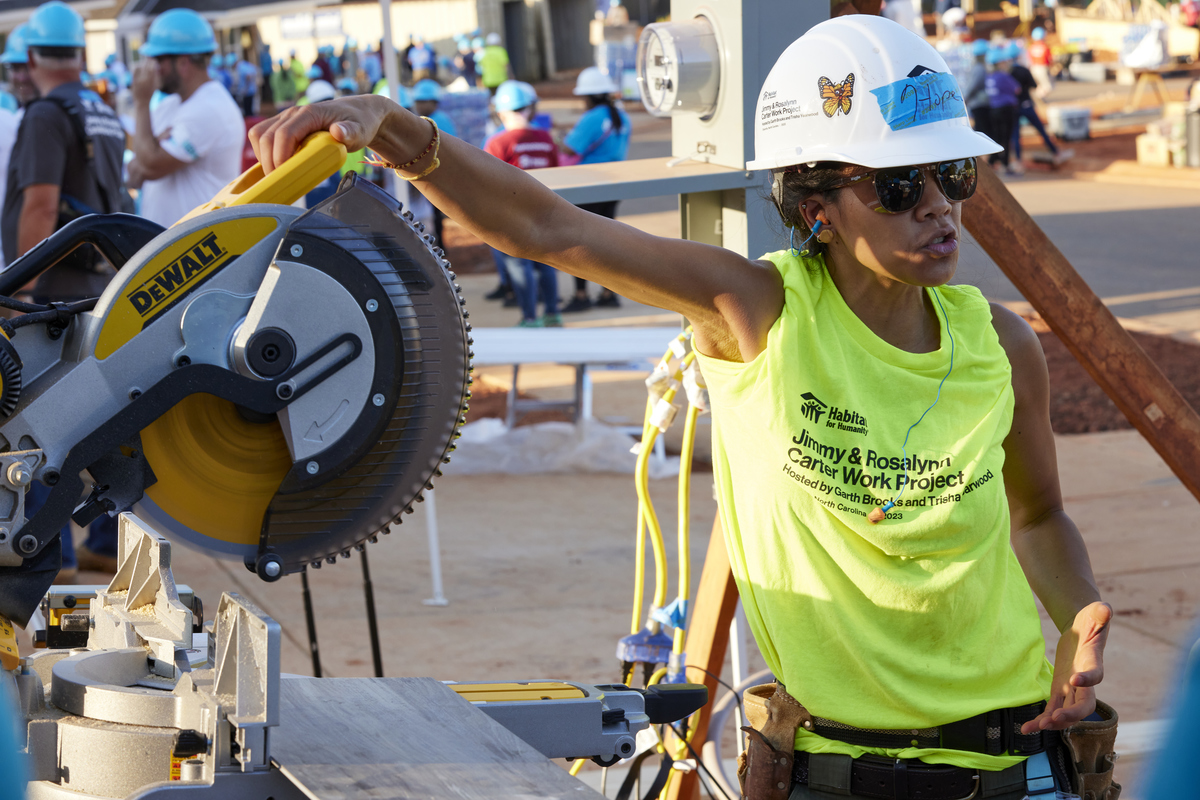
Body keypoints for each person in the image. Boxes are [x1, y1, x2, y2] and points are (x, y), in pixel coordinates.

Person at [252, 14, 1115, 799]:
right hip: (838, 773)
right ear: (815, 207)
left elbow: (1038, 518)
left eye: (953, 172)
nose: (938, 205)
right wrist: (395, 129)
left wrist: (1078, 618)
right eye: (896, 185)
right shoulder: (756, 314)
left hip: (1018, 766)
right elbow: (549, 228)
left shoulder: (1001, 344)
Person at [5, 0, 130, 580]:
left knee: (32, 430)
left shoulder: (46, 115)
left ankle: (49, 555)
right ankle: (98, 543)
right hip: (99, 287)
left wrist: (16, 293)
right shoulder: (101, 109)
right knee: (93, 423)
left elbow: (41, 204)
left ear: (31, 57)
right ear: (79, 53)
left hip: (52, 294)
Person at [127, 8, 243, 230]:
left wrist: (141, 103)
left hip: (199, 250)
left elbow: (149, 165)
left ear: (183, 62)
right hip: (169, 246)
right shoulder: (170, 105)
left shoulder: (210, 108)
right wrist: (151, 151)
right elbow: (133, 176)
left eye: (158, 59)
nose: (152, 68)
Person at [482, 80, 560, 327]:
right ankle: (552, 313)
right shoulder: (545, 138)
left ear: (501, 112)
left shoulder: (497, 143)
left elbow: (487, 181)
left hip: (511, 215)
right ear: (528, 109)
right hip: (544, 212)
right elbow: (558, 172)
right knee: (547, 262)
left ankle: (529, 317)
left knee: (518, 265)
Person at [561, 67, 630, 312]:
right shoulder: (621, 116)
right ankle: (608, 292)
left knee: (578, 241)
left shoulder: (591, 117)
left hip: (587, 185)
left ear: (588, 96)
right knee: (608, 240)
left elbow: (570, 148)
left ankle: (581, 295)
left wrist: (558, 136)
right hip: (613, 184)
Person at [1007, 43, 1071, 167]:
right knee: (1041, 130)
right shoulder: (1024, 70)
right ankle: (1055, 151)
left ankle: (1018, 160)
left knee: (1015, 135)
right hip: (1026, 105)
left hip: (1013, 107)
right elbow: (1034, 86)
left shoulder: (1007, 73)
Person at [985, 45, 1021, 174]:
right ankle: (1005, 165)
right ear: (999, 63)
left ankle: (992, 162)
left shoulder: (990, 77)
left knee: (997, 137)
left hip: (994, 109)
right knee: (1006, 138)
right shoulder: (1003, 76)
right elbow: (1017, 89)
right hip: (1006, 109)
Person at [1027, 27, 1053, 97]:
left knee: (1039, 86)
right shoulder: (1045, 46)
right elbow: (1049, 59)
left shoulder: (1031, 46)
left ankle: (1038, 98)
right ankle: (1037, 98)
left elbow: (1029, 58)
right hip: (1042, 68)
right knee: (1048, 87)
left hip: (1033, 68)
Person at [234, 51, 260, 116]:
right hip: (250, 90)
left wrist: (245, 89)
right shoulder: (244, 65)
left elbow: (248, 77)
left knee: (248, 111)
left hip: (248, 92)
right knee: (249, 109)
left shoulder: (241, 66)